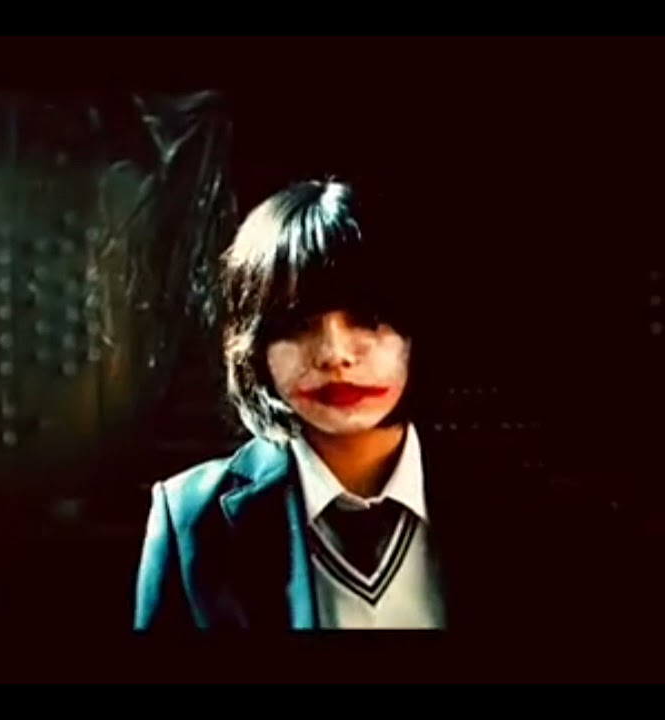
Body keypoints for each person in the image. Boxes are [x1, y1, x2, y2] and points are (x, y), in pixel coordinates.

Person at [133, 179, 593, 632]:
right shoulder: (191, 519)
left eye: (368, 319)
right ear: (255, 348)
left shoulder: (523, 506)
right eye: (297, 324)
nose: (335, 354)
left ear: (417, 330)